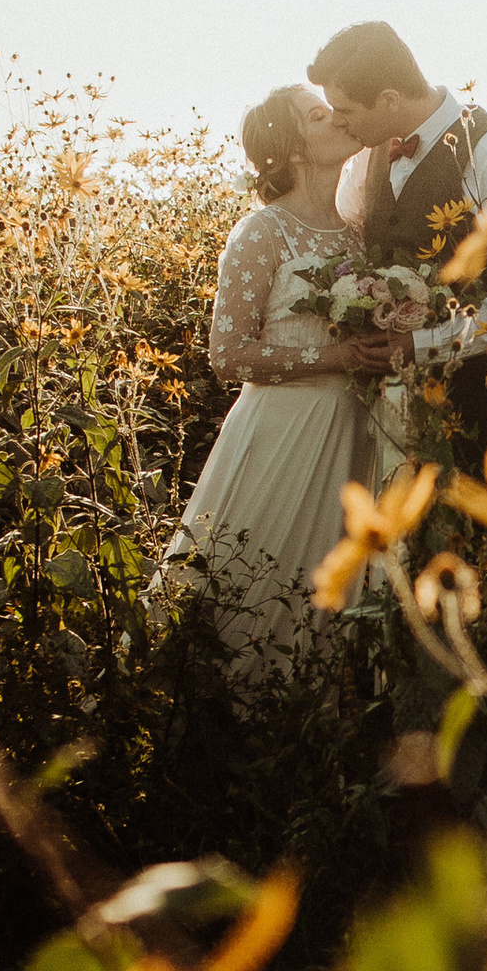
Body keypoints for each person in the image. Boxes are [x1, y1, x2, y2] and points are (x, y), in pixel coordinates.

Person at [159, 85, 398, 657]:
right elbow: (228, 354)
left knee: (325, 595)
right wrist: (336, 358)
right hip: (281, 432)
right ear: (292, 150)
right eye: (320, 114)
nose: (338, 117)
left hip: (353, 429)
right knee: (253, 584)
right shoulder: (263, 231)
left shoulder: (359, 232)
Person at [311, 21, 487, 458]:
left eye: (344, 110)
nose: (338, 123)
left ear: (388, 99)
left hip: (478, 404)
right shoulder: (368, 154)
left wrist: (421, 344)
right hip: (386, 408)